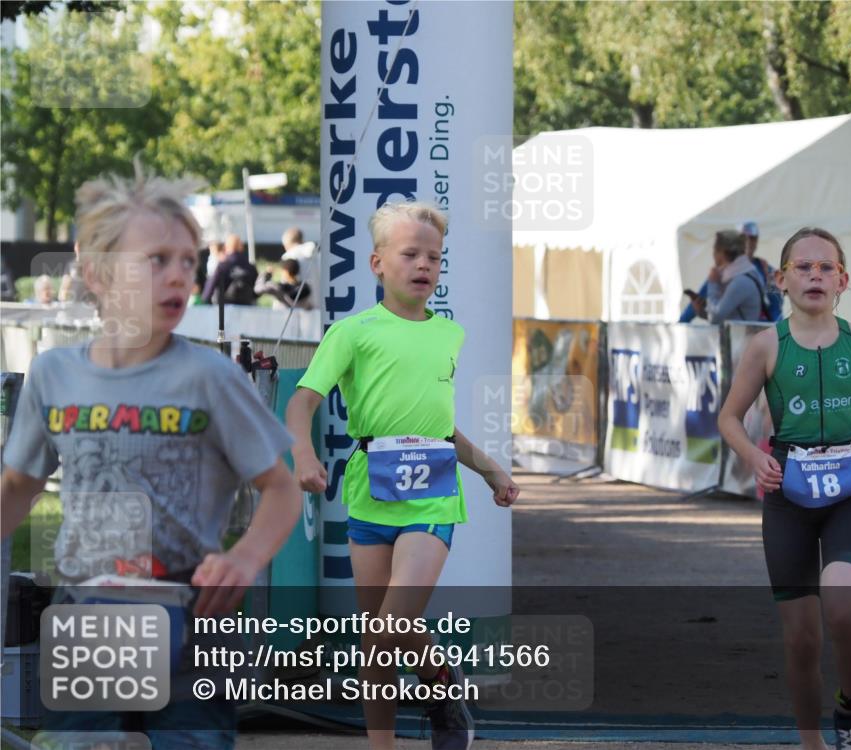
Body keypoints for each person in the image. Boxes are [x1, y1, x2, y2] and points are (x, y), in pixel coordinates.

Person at [0, 164, 301, 749]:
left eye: (189, 261)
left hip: (191, 611)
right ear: (98, 272)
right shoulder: (53, 374)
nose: (180, 276)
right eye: (157, 260)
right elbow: (17, 485)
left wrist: (245, 558)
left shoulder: (210, 377)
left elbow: (282, 488)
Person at [286, 200, 519, 750]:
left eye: (434, 257)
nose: (423, 265)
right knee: (384, 639)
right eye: (410, 254)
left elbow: (438, 429)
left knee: (386, 631)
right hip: (371, 494)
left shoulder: (449, 335)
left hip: (433, 497)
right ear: (376, 263)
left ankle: (437, 709)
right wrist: (301, 452)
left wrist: (488, 469)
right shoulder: (351, 333)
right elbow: (300, 405)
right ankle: (421, 710)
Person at [718, 227, 851, 750]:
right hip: (788, 495)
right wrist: (755, 456)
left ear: (843, 280)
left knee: (845, 610)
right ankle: (812, 743)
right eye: (803, 267)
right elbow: (730, 417)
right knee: (803, 640)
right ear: (781, 279)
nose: (815, 275)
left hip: (850, 490)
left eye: (826, 267)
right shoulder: (766, 346)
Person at [689, 229, 764, 323]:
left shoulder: (740, 281)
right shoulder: (742, 274)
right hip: (739, 336)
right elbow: (728, 317)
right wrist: (701, 312)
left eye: (715, 250)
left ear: (722, 253)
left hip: (742, 337)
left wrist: (713, 284)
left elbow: (715, 317)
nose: (713, 254)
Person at [742, 220, 784, 322]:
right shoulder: (723, 270)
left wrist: (777, 331)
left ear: (756, 241)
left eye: (752, 238)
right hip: (733, 330)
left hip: (759, 329)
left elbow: (775, 306)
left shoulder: (767, 271)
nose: (748, 242)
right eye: (744, 238)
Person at [202, 234, 258, 305]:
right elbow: (256, 291)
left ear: (226, 247)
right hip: (246, 307)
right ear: (241, 247)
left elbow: (210, 288)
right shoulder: (250, 267)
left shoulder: (222, 266)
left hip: (224, 309)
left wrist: (204, 300)